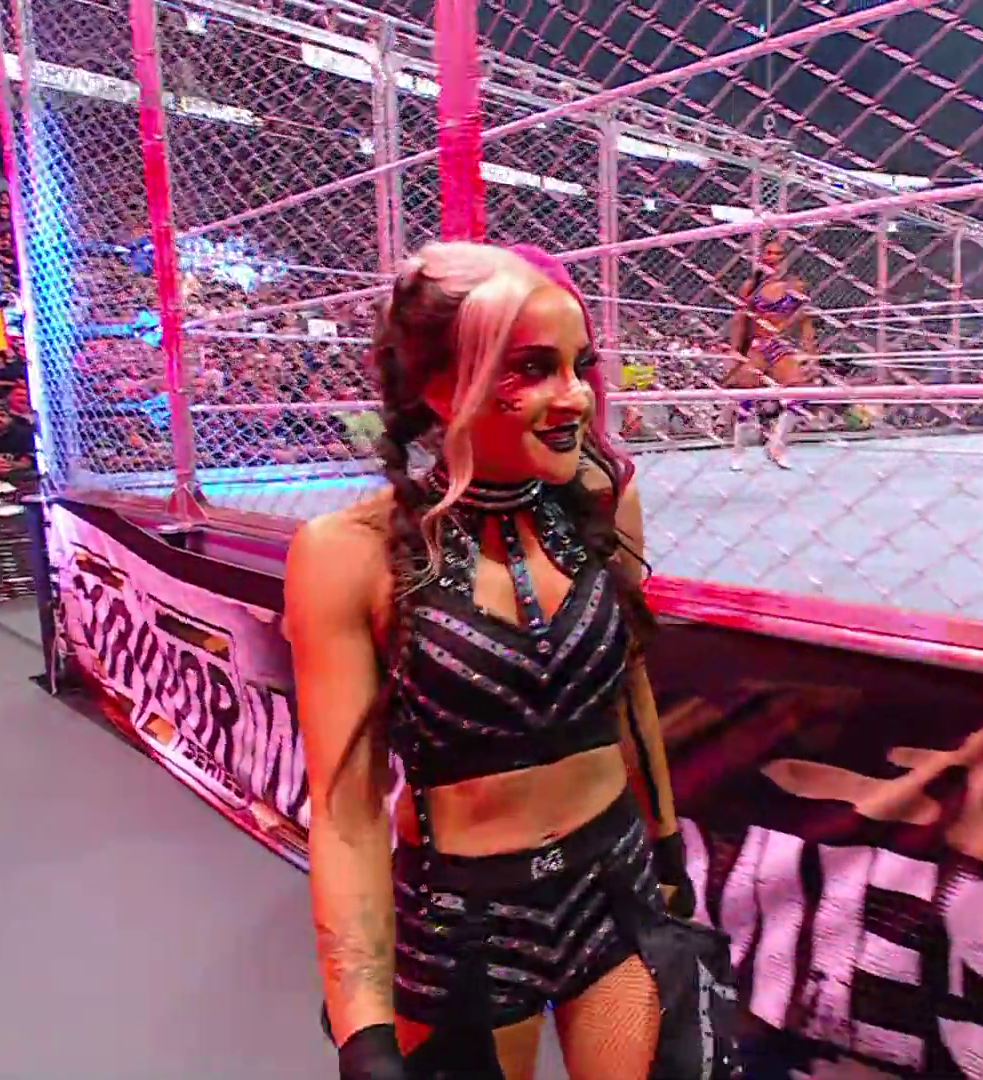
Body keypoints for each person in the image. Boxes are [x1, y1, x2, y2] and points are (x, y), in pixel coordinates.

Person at [285, 242, 689, 1080]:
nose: (575, 395)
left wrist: (667, 848)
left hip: (611, 886)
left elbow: (630, 692)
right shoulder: (345, 555)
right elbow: (346, 813)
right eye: (533, 368)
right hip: (459, 923)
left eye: (579, 365)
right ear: (441, 384)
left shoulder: (605, 500)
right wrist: (362, 1026)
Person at [725, 235, 814, 470]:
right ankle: (738, 451)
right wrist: (735, 350)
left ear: (785, 259)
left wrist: (809, 353)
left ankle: (777, 445)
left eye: (778, 254)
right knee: (746, 397)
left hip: (780, 345)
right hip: (757, 345)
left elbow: (805, 321)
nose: (772, 257)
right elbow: (739, 320)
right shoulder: (751, 287)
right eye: (768, 253)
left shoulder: (795, 286)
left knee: (800, 393)